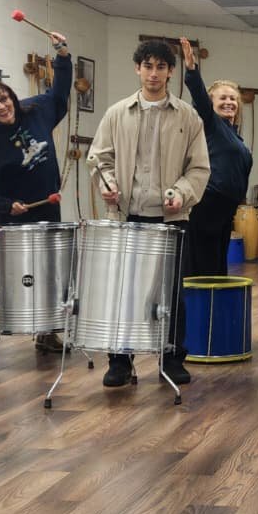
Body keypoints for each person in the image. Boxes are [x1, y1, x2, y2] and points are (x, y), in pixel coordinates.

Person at [88, 39, 211, 388]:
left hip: (171, 219)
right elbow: (99, 159)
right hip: (126, 218)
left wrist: (180, 194)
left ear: (170, 72)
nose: (153, 73)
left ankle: (171, 358)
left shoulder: (188, 116)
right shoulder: (116, 113)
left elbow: (199, 168)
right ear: (137, 69)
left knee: (172, 294)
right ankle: (120, 361)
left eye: (161, 67)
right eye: (147, 66)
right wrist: (107, 185)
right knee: (122, 291)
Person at [0, 32, 72, 359]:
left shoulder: (37, 110)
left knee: (50, 274)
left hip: (48, 209)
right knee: (2, 281)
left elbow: (60, 91)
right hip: (12, 219)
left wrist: (63, 56)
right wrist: (6, 205)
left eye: (4, 99)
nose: (2, 106)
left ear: (12, 97)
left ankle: (47, 334)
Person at [180, 38, 252, 278]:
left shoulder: (234, 135)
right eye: (223, 98)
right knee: (202, 266)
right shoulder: (210, 123)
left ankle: (213, 302)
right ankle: (195, 302)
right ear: (211, 103)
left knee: (217, 267)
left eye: (233, 99)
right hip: (207, 205)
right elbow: (199, 96)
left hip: (225, 210)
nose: (229, 102)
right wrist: (192, 70)